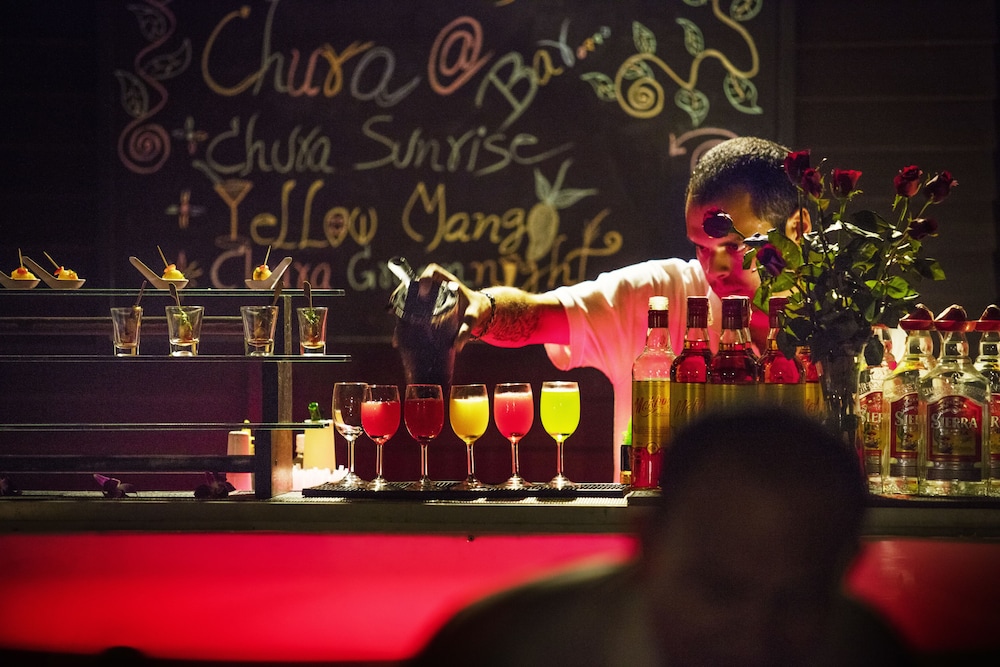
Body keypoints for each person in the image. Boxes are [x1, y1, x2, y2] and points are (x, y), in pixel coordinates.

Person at [415, 136, 811, 477]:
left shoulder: (836, 322)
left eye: (734, 246)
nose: (715, 267)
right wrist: (481, 307)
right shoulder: (658, 294)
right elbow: (536, 316)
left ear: (799, 226)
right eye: (701, 248)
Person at [407, 407, 914, 667]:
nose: (754, 640)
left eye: (798, 600)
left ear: (848, 565)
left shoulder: (868, 652)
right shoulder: (501, 651)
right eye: (719, 591)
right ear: (647, 545)